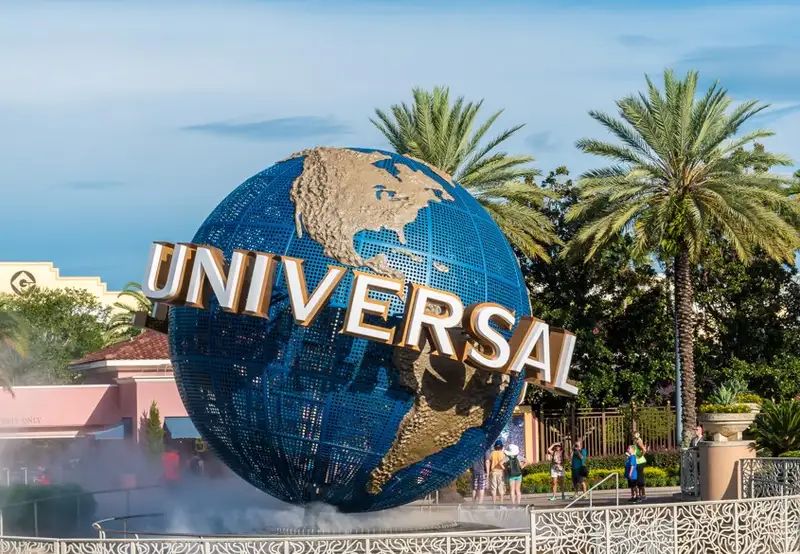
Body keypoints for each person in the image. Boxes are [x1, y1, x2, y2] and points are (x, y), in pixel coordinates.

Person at [488, 439, 506, 504]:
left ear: (495, 446)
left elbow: (488, 461)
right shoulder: (503, 454)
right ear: (501, 446)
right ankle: (501, 503)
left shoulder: (492, 453)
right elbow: (504, 463)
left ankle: (494, 503)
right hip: (501, 472)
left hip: (493, 472)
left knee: (493, 488)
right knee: (501, 488)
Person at [633, 432, 648, 502]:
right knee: (638, 478)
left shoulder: (638, 442)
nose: (632, 436)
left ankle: (643, 495)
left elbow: (644, 450)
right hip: (638, 462)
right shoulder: (636, 442)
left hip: (640, 462)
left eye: (633, 435)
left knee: (640, 478)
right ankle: (641, 495)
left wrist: (640, 456)